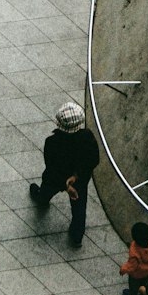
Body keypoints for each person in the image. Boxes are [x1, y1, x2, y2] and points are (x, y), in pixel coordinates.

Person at [29, 102, 100, 247]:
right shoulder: (87, 137)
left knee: (46, 191)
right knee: (79, 208)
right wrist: (76, 176)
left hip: (55, 179)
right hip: (79, 181)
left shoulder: (52, 142)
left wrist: (65, 185)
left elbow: (51, 166)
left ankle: (42, 199)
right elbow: (93, 160)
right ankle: (77, 236)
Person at [121, 222, 148, 295]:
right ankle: (143, 294)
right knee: (144, 284)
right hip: (147, 272)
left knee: (134, 287)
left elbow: (132, 266)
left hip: (136, 275)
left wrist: (123, 269)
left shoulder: (134, 252)